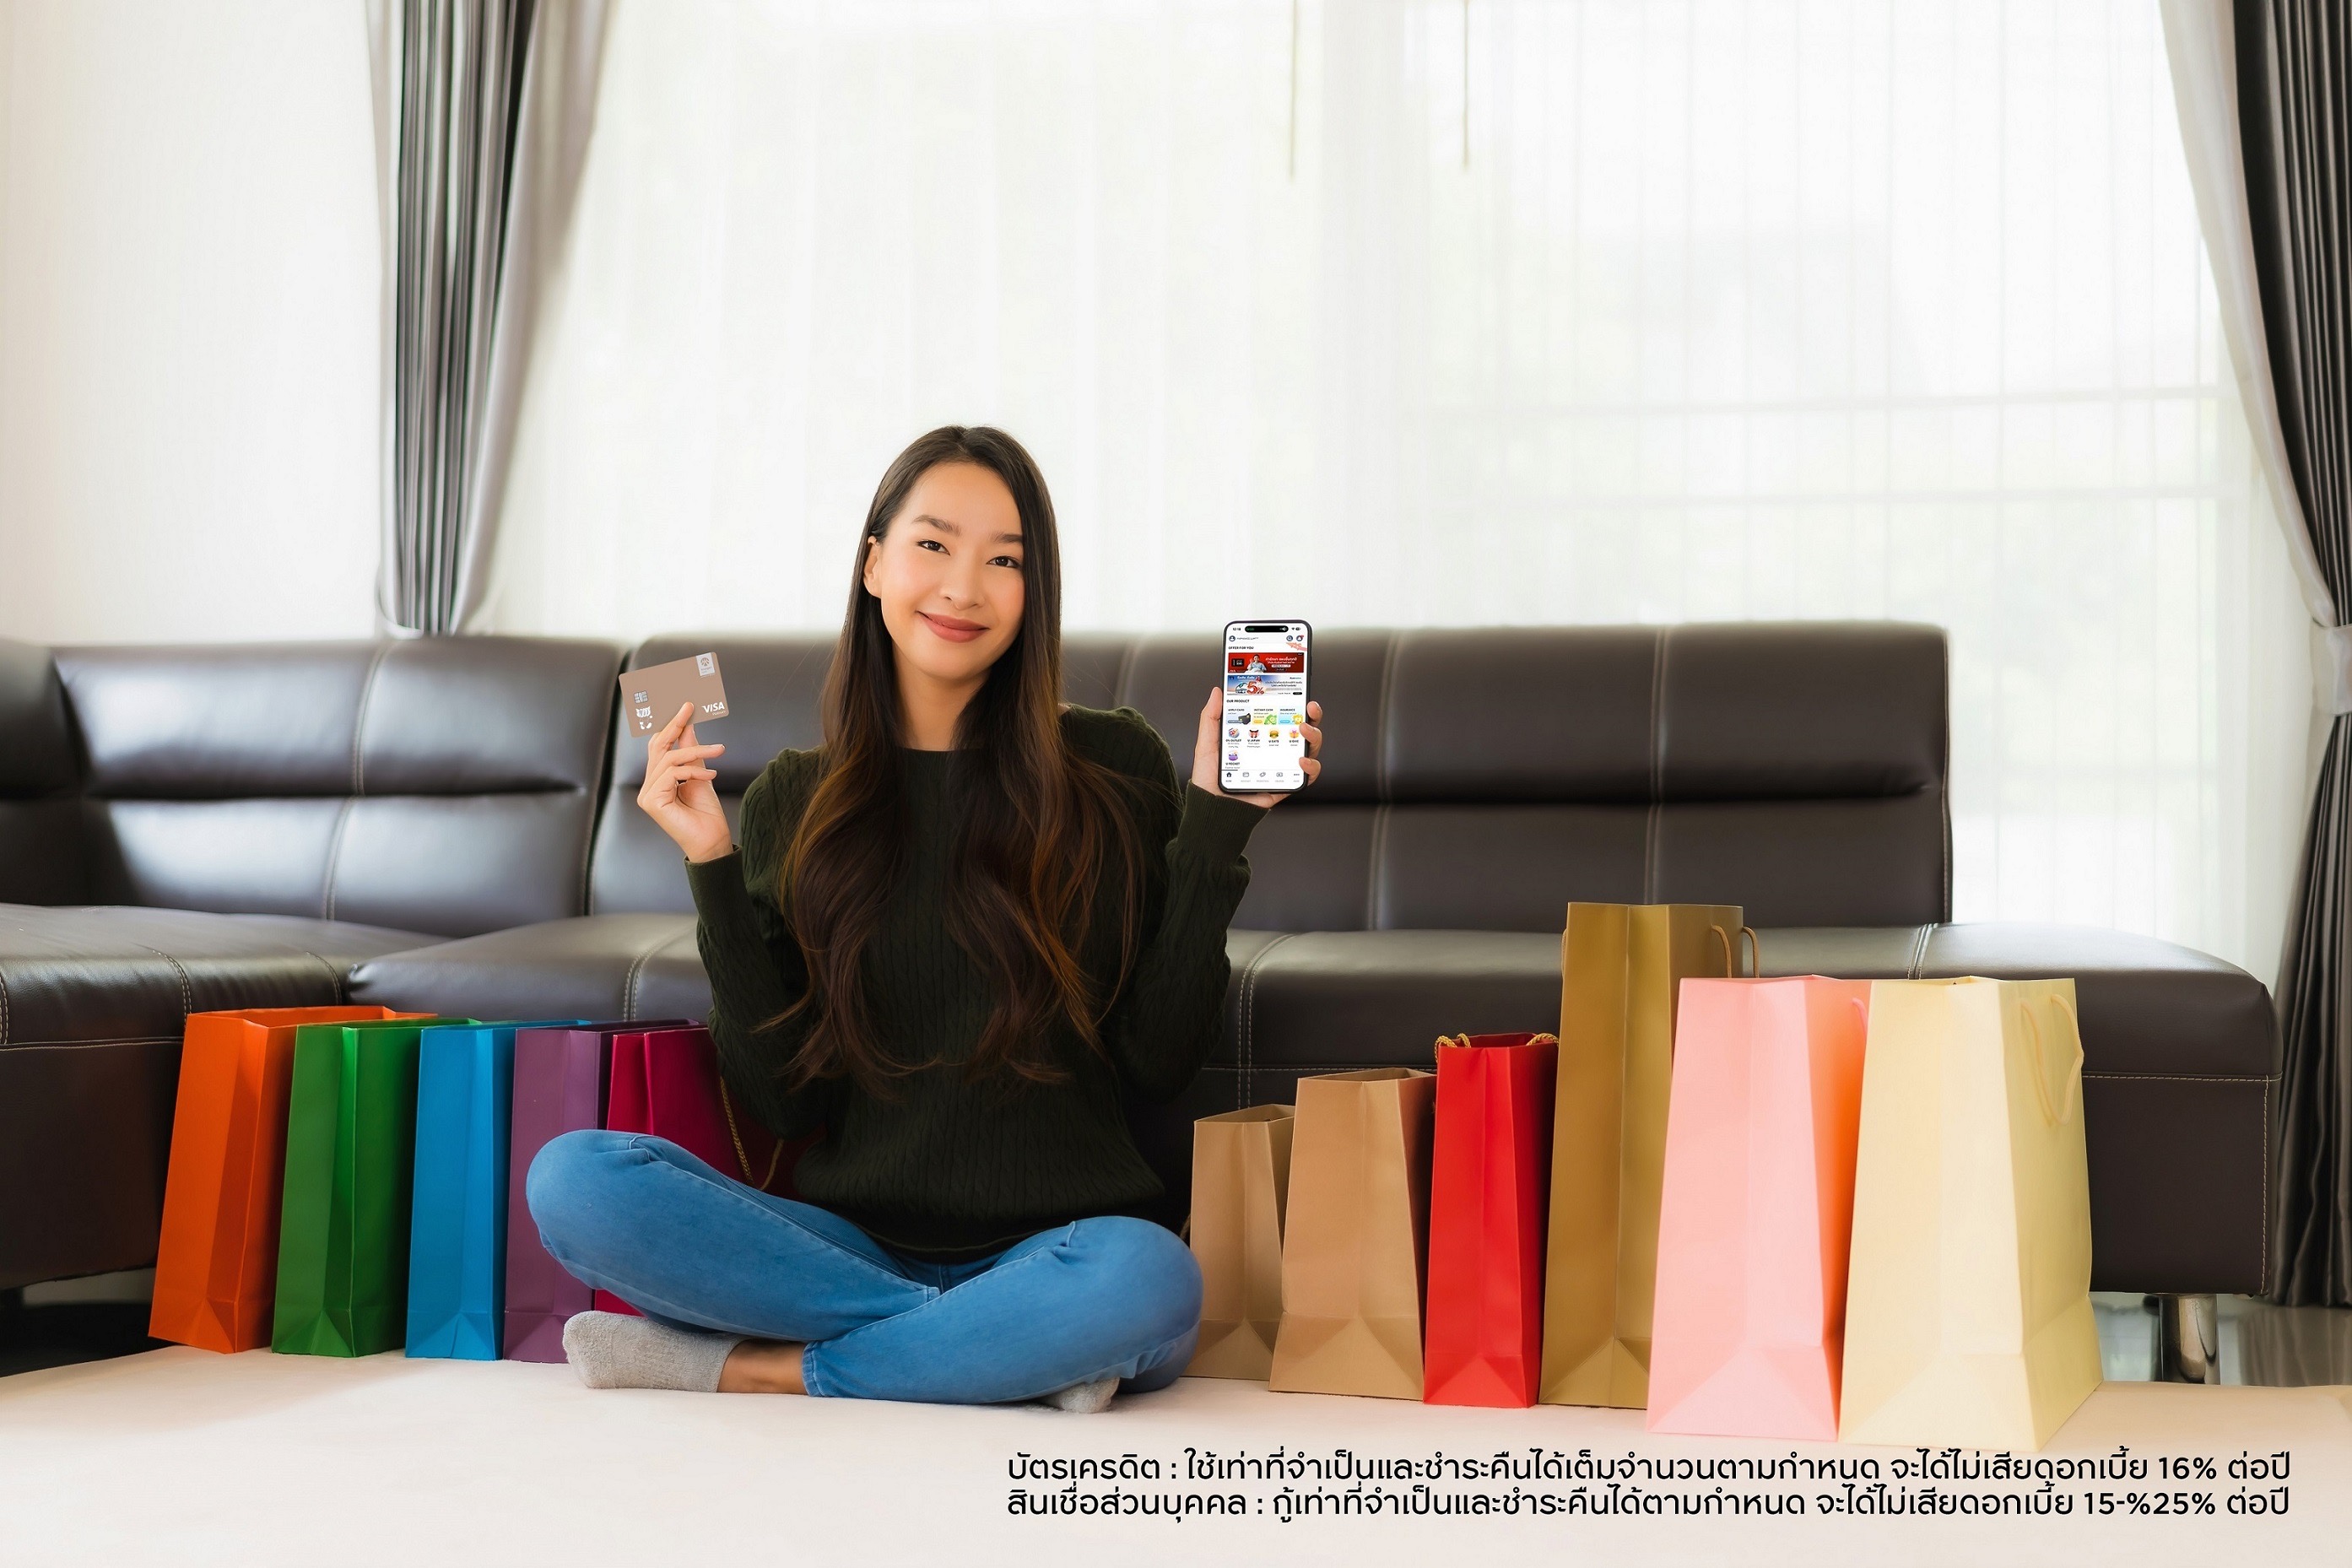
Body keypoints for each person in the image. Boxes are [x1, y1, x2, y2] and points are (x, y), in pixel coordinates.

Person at [525, 425, 1322, 1411]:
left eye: (1005, 561)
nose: (963, 587)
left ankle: (769, 1366)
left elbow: (1157, 1061)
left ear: (1036, 593)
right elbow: (779, 1103)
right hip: (846, 1245)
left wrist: (1217, 825)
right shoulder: (793, 798)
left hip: (1065, 1246)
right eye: (934, 544)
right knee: (574, 1178)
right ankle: (1002, 1349)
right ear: (873, 565)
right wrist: (711, 862)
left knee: (1149, 1279)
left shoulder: (1114, 766)